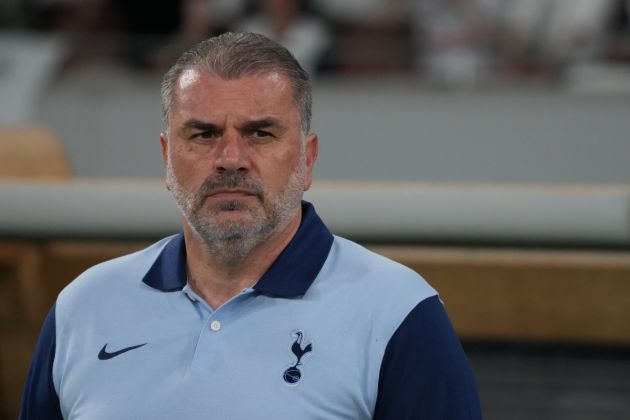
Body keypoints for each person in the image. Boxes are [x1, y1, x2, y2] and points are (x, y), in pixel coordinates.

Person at [20, 32, 482, 419]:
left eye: (260, 133)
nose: (231, 160)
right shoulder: (84, 307)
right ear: (166, 157)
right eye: (203, 134)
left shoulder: (396, 312)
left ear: (307, 158)